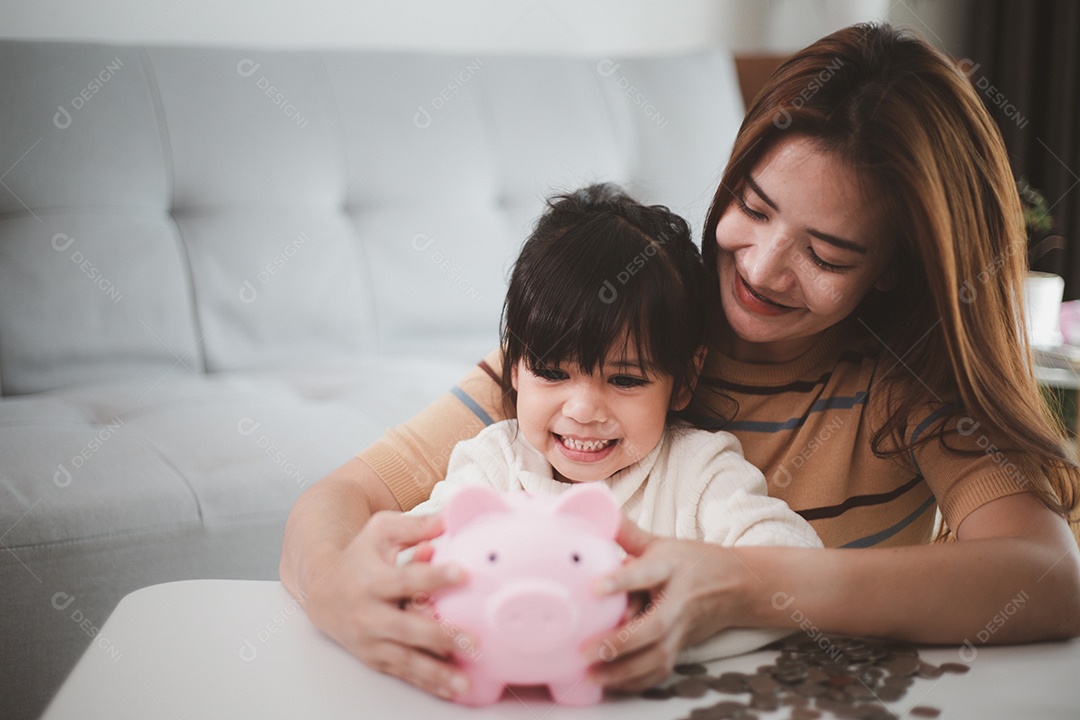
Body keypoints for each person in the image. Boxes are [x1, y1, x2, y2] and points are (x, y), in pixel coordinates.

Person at [280, 22, 1080, 701]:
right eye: (753, 208)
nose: (762, 269)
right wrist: (336, 591)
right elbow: (343, 498)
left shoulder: (907, 381)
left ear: (896, 266)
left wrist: (738, 583)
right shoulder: (618, 332)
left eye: (827, 254)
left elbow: (1046, 578)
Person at [404, 184, 822, 673]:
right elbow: (413, 561)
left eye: (625, 379)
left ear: (684, 380)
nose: (582, 409)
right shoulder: (495, 464)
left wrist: (662, 636)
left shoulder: (697, 471)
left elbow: (796, 567)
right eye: (553, 372)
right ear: (514, 367)